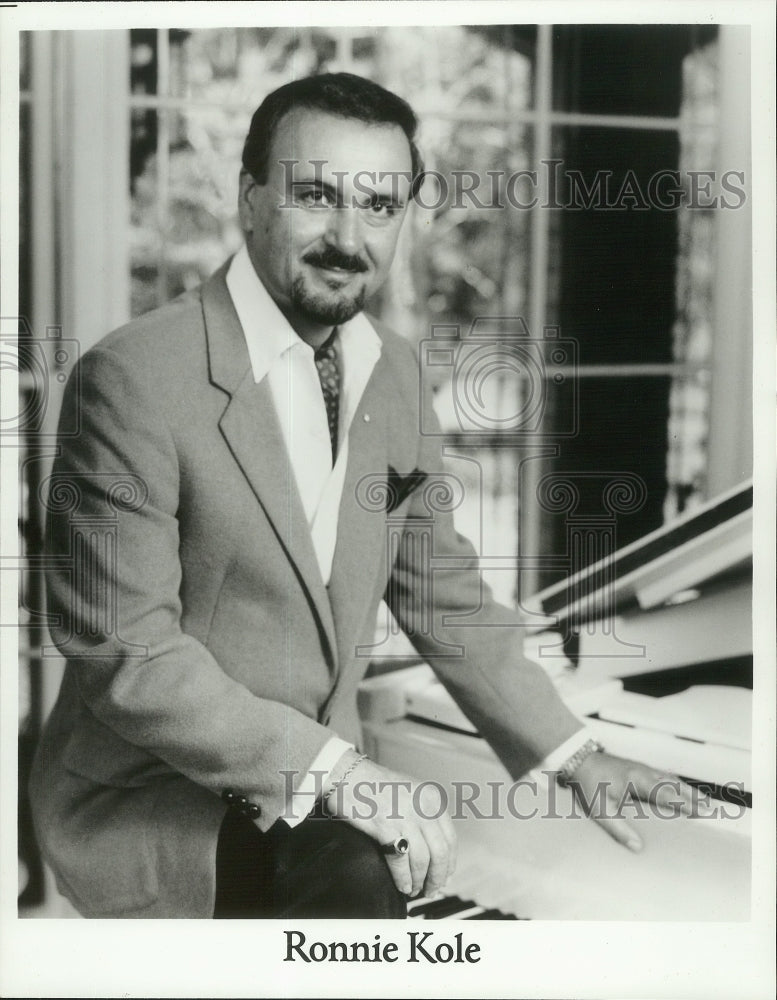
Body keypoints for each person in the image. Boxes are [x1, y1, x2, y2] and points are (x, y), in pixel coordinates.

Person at [29, 72, 694, 919]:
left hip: (320, 791)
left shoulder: (398, 372)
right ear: (250, 198)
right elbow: (130, 656)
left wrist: (574, 756)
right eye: (316, 195)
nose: (349, 237)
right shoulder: (129, 379)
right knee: (356, 880)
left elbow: (443, 595)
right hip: (157, 800)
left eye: (379, 205)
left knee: (360, 881)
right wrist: (340, 773)